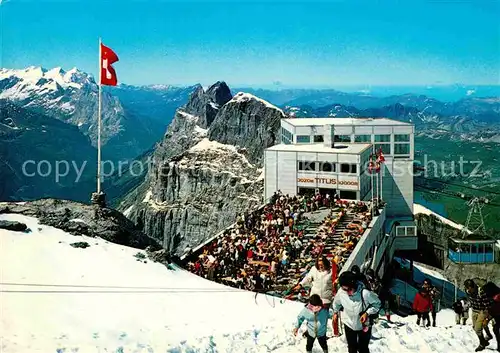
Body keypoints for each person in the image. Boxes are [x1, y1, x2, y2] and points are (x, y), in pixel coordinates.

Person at [332, 271, 381, 353]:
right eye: (344, 289)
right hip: (349, 323)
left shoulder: (365, 293)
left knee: (363, 348)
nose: (346, 291)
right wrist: (335, 312)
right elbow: (336, 303)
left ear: (354, 285)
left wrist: (367, 313)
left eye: (349, 289)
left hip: (364, 324)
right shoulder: (341, 292)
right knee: (351, 348)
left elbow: (377, 304)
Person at [464, 278, 494, 352]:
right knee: (475, 327)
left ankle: (482, 344)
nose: (468, 290)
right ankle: (487, 337)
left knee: (478, 329)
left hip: (482, 310)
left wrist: (487, 317)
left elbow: (487, 305)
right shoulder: (467, 291)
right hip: (474, 310)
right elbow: (470, 300)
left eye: (469, 288)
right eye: (467, 288)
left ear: (473, 286)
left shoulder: (480, 291)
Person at [482, 281, 500, 352]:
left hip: (497, 314)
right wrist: (487, 318)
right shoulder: (490, 297)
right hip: (494, 314)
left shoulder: (497, 296)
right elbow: (490, 308)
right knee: (495, 329)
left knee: (496, 329)